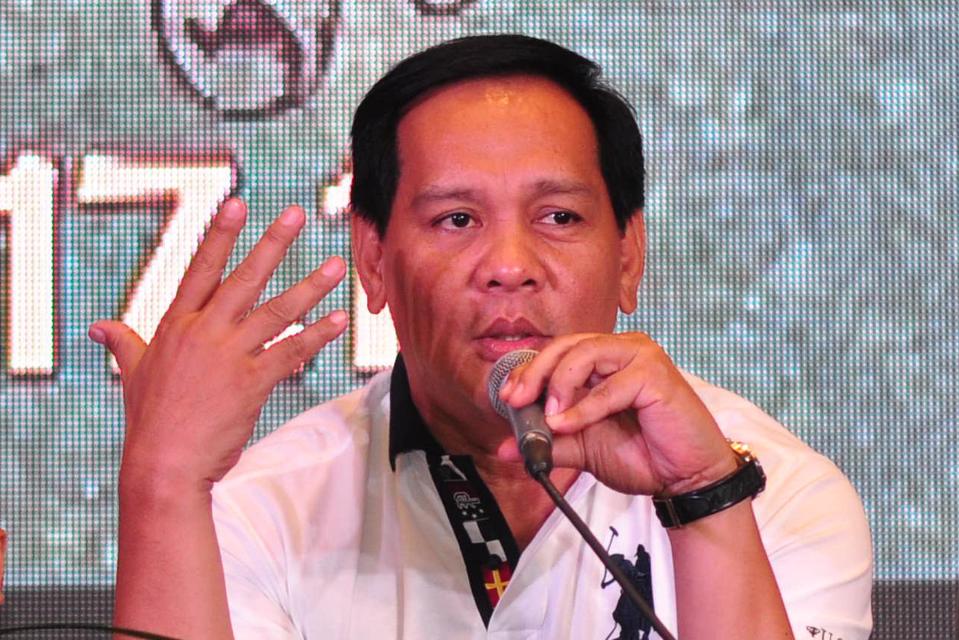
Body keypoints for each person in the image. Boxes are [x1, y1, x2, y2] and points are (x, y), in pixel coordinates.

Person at [90, 35, 873, 639]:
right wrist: (161, 482)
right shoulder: (260, 510)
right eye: (456, 220)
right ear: (374, 260)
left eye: (558, 218)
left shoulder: (778, 499)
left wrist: (706, 497)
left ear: (630, 255)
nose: (508, 267)